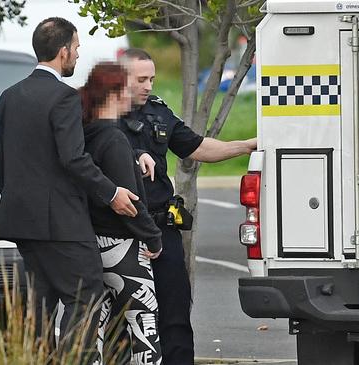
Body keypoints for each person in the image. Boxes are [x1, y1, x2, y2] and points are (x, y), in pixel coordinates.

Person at [0, 17, 140, 360]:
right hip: (62, 224)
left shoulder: (10, 96)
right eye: (77, 48)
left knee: (39, 308)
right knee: (85, 296)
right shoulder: (64, 97)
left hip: (21, 220)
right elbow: (74, 159)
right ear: (63, 51)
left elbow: (3, 161)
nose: (78, 55)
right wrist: (112, 193)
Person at [118, 48, 257, 364]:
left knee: (175, 312)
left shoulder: (158, 111)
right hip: (120, 231)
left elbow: (197, 147)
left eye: (152, 78)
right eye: (141, 79)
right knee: (121, 316)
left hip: (161, 228)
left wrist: (246, 145)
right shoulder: (100, 118)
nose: (149, 85)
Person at [80, 62, 163, 365]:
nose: (137, 91)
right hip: (124, 249)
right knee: (144, 327)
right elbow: (129, 203)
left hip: (91, 245)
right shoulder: (114, 139)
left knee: (95, 330)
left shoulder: (83, 136)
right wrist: (153, 238)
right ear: (114, 93)